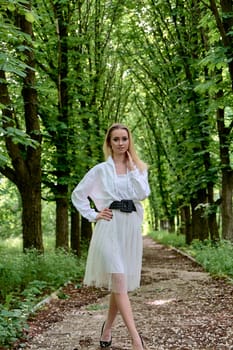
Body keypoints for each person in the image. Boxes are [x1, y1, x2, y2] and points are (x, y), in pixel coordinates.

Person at [71, 123, 150, 350]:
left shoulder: (139, 168)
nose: (120, 143)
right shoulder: (100, 170)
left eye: (124, 138)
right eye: (115, 139)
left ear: (129, 141)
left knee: (120, 284)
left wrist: (134, 168)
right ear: (109, 143)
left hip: (130, 228)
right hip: (109, 226)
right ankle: (137, 340)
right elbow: (78, 194)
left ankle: (107, 329)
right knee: (119, 279)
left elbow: (143, 194)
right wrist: (93, 214)